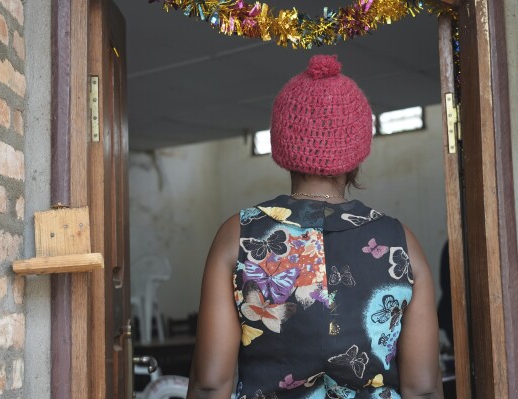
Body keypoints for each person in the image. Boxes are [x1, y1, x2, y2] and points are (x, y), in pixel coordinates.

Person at [187, 55, 442, 399]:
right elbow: (423, 387)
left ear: (283, 145)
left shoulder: (240, 236)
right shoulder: (400, 242)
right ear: (356, 152)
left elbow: (210, 383)